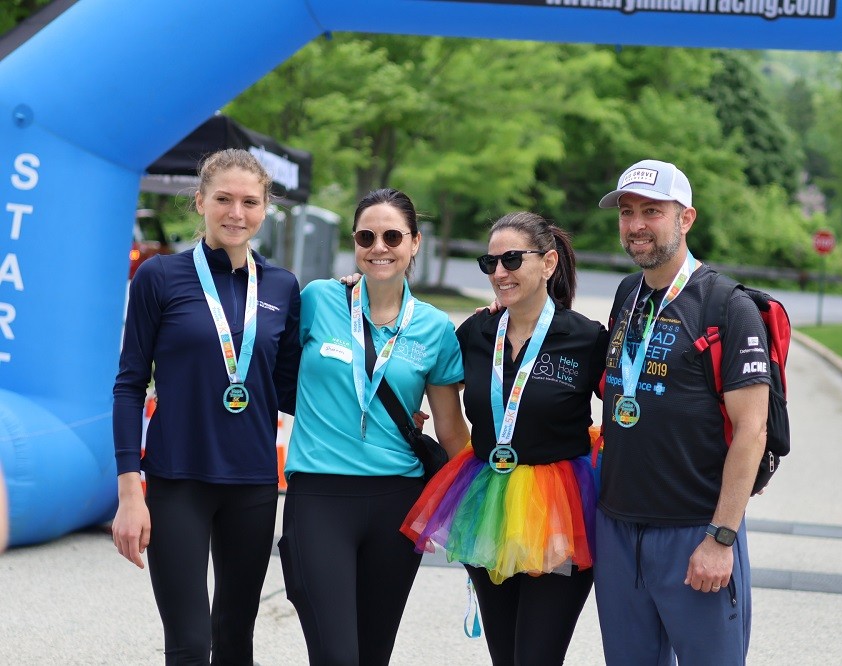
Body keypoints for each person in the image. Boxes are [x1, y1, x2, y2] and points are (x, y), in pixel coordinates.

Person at [112, 148, 302, 664]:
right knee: (191, 645)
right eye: (223, 199)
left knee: (236, 641)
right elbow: (129, 385)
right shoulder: (159, 277)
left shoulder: (283, 287)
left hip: (253, 486)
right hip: (178, 484)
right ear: (200, 202)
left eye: (249, 201)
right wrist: (131, 492)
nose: (236, 213)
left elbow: (291, 390)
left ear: (265, 209)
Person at [402, 212, 609, 665]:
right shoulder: (476, 332)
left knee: (537, 655)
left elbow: (630, 412)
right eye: (489, 262)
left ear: (548, 263)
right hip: (487, 503)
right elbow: (412, 366)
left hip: (559, 510)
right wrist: (355, 294)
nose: (499, 273)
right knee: (505, 655)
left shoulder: (587, 339)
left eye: (512, 260)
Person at [279, 187, 469, 666]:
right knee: (337, 655)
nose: (379, 246)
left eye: (392, 236)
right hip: (319, 497)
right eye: (367, 235)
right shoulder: (319, 299)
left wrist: (479, 502)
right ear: (355, 242)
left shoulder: (434, 327)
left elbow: (450, 429)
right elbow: (269, 369)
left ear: (415, 243)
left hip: (396, 503)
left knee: (372, 655)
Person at [594, 160, 770, 665]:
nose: (636, 225)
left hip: (694, 531)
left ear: (686, 218)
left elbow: (752, 430)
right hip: (619, 528)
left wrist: (721, 537)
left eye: (653, 211)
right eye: (627, 212)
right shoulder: (628, 294)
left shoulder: (726, 305)